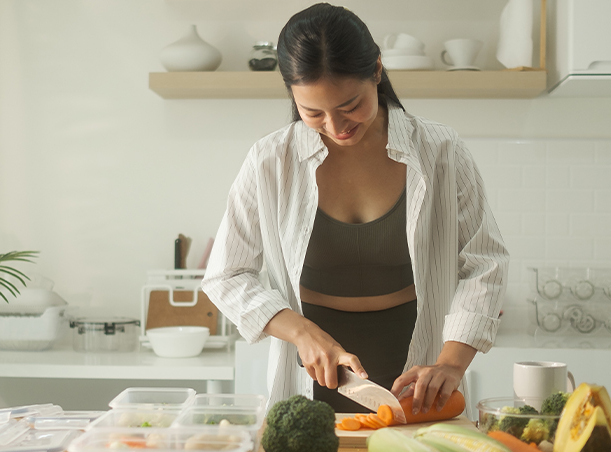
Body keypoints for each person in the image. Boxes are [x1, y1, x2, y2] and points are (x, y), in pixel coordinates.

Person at [202, 3, 509, 417]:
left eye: (350, 105)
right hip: (312, 370)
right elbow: (226, 275)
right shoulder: (270, 160)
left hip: (419, 371)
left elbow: (486, 261)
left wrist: (452, 363)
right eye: (314, 113)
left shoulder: (441, 151)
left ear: (377, 71)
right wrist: (302, 333)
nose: (336, 126)